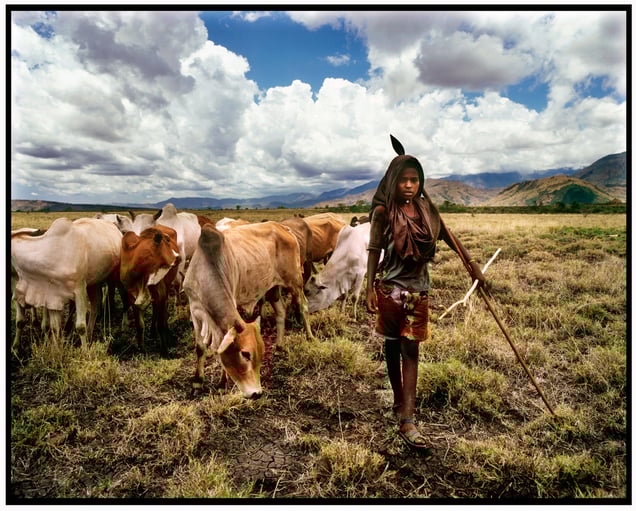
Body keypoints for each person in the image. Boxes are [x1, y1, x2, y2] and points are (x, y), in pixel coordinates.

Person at [366, 135, 486, 452]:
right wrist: (367, 288)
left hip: (419, 291)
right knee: (392, 347)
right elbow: (374, 249)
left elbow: (447, 234)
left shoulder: (426, 208)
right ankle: (397, 401)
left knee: (411, 350)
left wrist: (471, 263)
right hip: (390, 290)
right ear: (393, 182)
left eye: (414, 179)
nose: (409, 185)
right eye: (403, 179)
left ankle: (408, 418)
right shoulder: (382, 212)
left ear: (420, 182)